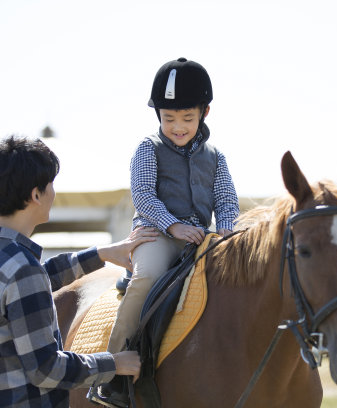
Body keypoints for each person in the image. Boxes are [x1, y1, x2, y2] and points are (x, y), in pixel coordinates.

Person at [0, 135, 158, 408]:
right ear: (36, 195)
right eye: (50, 185)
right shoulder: (22, 270)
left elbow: (32, 284)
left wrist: (101, 254)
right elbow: (46, 369)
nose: (53, 193)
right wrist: (114, 363)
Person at [90, 57, 239, 406]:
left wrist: (228, 230)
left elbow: (227, 199)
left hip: (200, 238)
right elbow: (142, 195)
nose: (177, 126)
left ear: (204, 112)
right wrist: (173, 224)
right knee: (147, 277)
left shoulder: (216, 157)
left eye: (186, 118)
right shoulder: (147, 148)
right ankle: (112, 374)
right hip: (156, 234)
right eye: (168, 118)